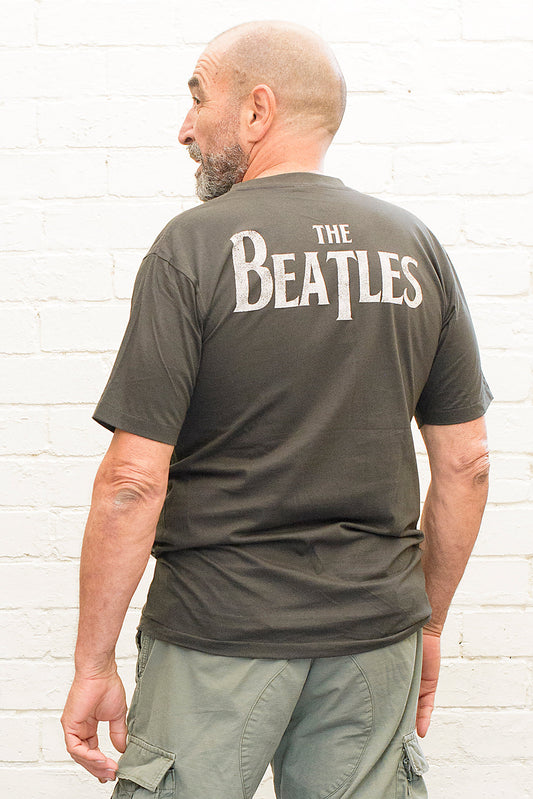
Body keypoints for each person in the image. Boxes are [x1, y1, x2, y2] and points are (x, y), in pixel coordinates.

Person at [61, 20, 492, 799]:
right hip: (373, 639)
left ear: (256, 110)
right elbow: (465, 465)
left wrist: (93, 662)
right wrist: (426, 624)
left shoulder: (192, 248)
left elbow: (131, 481)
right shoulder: (416, 248)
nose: (185, 128)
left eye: (199, 98)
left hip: (216, 634)